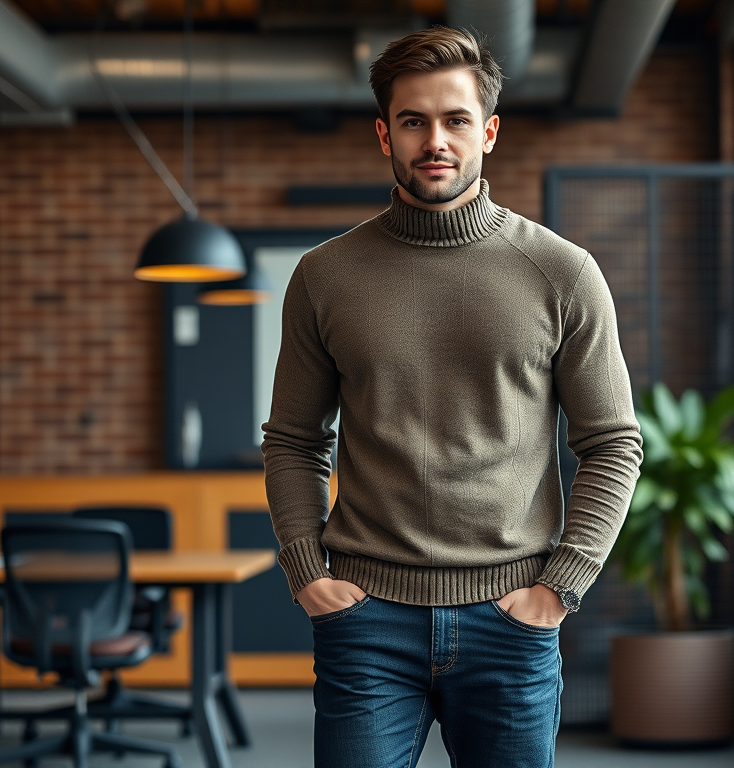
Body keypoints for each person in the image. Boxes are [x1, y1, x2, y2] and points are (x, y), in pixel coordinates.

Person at [261, 26, 643, 768]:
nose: (434, 139)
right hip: (368, 620)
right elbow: (295, 440)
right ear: (384, 134)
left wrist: (558, 590)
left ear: (489, 131)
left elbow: (613, 443)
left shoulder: (561, 272)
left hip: (514, 619)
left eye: (455, 119)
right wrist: (308, 571)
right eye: (413, 121)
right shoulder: (324, 276)